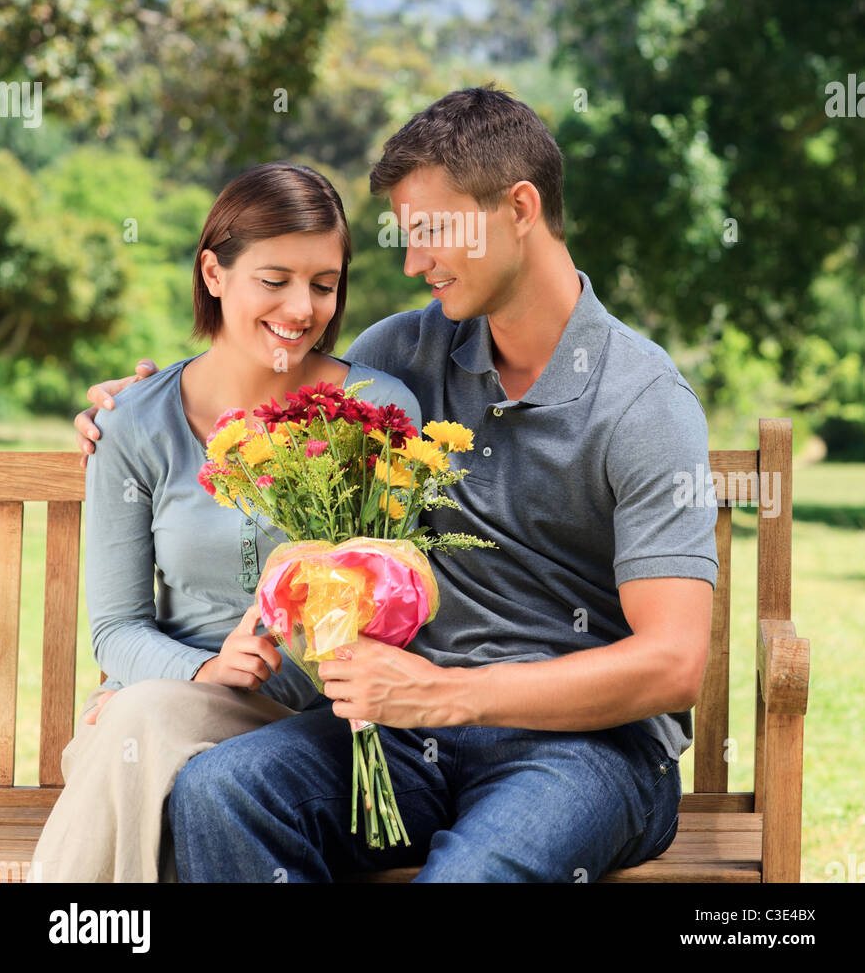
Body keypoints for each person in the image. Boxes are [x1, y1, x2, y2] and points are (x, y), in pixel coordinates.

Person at [74, 86, 719, 884]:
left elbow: (673, 664)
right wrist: (130, 401)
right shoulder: (405, 356)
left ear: (518, 208)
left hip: (585, 753)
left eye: (431, 234)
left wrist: (450, 695)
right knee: (222, 792)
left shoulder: (642, 403)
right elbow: (255, 368)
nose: (414, 264)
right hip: (401, 738)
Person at [30, 161, 423, 884]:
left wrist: (307, 622)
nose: (302, 308)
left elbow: (402, 597)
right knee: (143, 732)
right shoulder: (135, 424)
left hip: (310, 732)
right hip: (157, 710)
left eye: (324, 283)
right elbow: (116, 628)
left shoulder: (375, 412)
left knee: (144, 738)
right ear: (214, 272)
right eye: (274, 280)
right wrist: (200, 671)